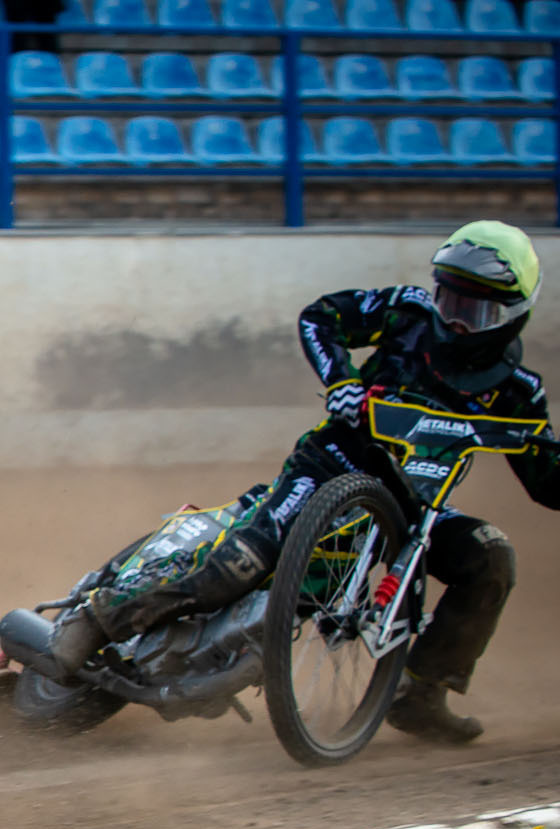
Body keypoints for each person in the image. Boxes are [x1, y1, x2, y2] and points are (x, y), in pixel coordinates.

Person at [44, 222, 558, 743]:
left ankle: (421, 692)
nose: (455, 321)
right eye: (449, 299)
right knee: (240, 561)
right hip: (328, 467)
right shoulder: (407, 313)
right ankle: (99, 619)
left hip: (412, 513)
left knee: (490, 556)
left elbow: (548, 484)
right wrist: (342, 381)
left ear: (513, 315)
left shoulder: (520, 393)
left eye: (476, 311)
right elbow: (321, 317)